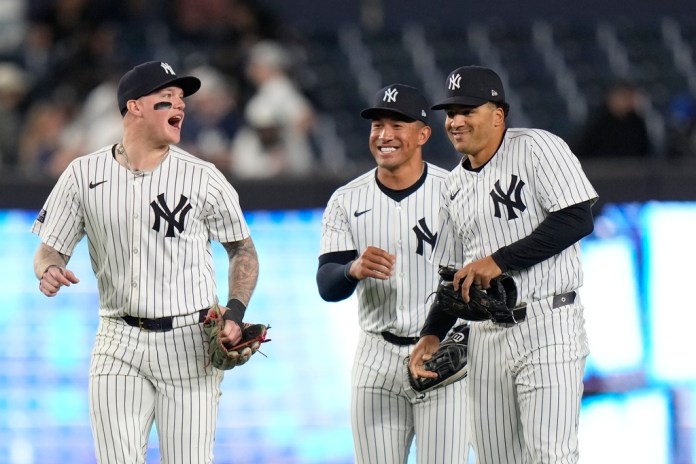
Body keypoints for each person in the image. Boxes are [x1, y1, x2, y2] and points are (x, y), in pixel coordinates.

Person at [31, 61, 259, 464]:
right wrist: (48, 269)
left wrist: (236, 313)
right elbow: (50, 249)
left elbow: (242, 249)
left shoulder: (203, 177)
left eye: (182, 100)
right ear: (134, 106)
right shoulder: (83, 174)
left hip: (189, 342)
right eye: (166, 97)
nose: (180, 105)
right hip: (117, 340)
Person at [408, 65, 597, 463]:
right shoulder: (453, 185)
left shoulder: (537, 147)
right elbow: (453, 275)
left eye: (467, 111)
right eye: (450, 114)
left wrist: (499, 260)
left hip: (549, 323)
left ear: (498, 114)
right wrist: (430, 333)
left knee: (550, 455)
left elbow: (576, 217)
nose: (455, 121)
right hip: (487, 337)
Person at [317, 83, 469, 463]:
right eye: (377, 125)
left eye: (397, 125)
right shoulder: (347, 200)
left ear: (422, 134)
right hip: (375, 356)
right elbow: (326, 285)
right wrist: (352, 269)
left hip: (441, 351)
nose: (384, 135)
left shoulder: (455, 191)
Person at [230, 40, 315, 178]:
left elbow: (306, 119)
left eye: (256, 65)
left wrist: (284, 143)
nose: (251, 70)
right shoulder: (268, 89)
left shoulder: (280, 88)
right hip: (266, 164)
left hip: (281, 166)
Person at [574, 79, 652, 158]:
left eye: (629, 96)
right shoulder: (598, 122)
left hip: (631, 169)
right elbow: (582, 150)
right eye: (623, 96)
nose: (626, 101)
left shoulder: (637, 124)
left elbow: (643, 154)